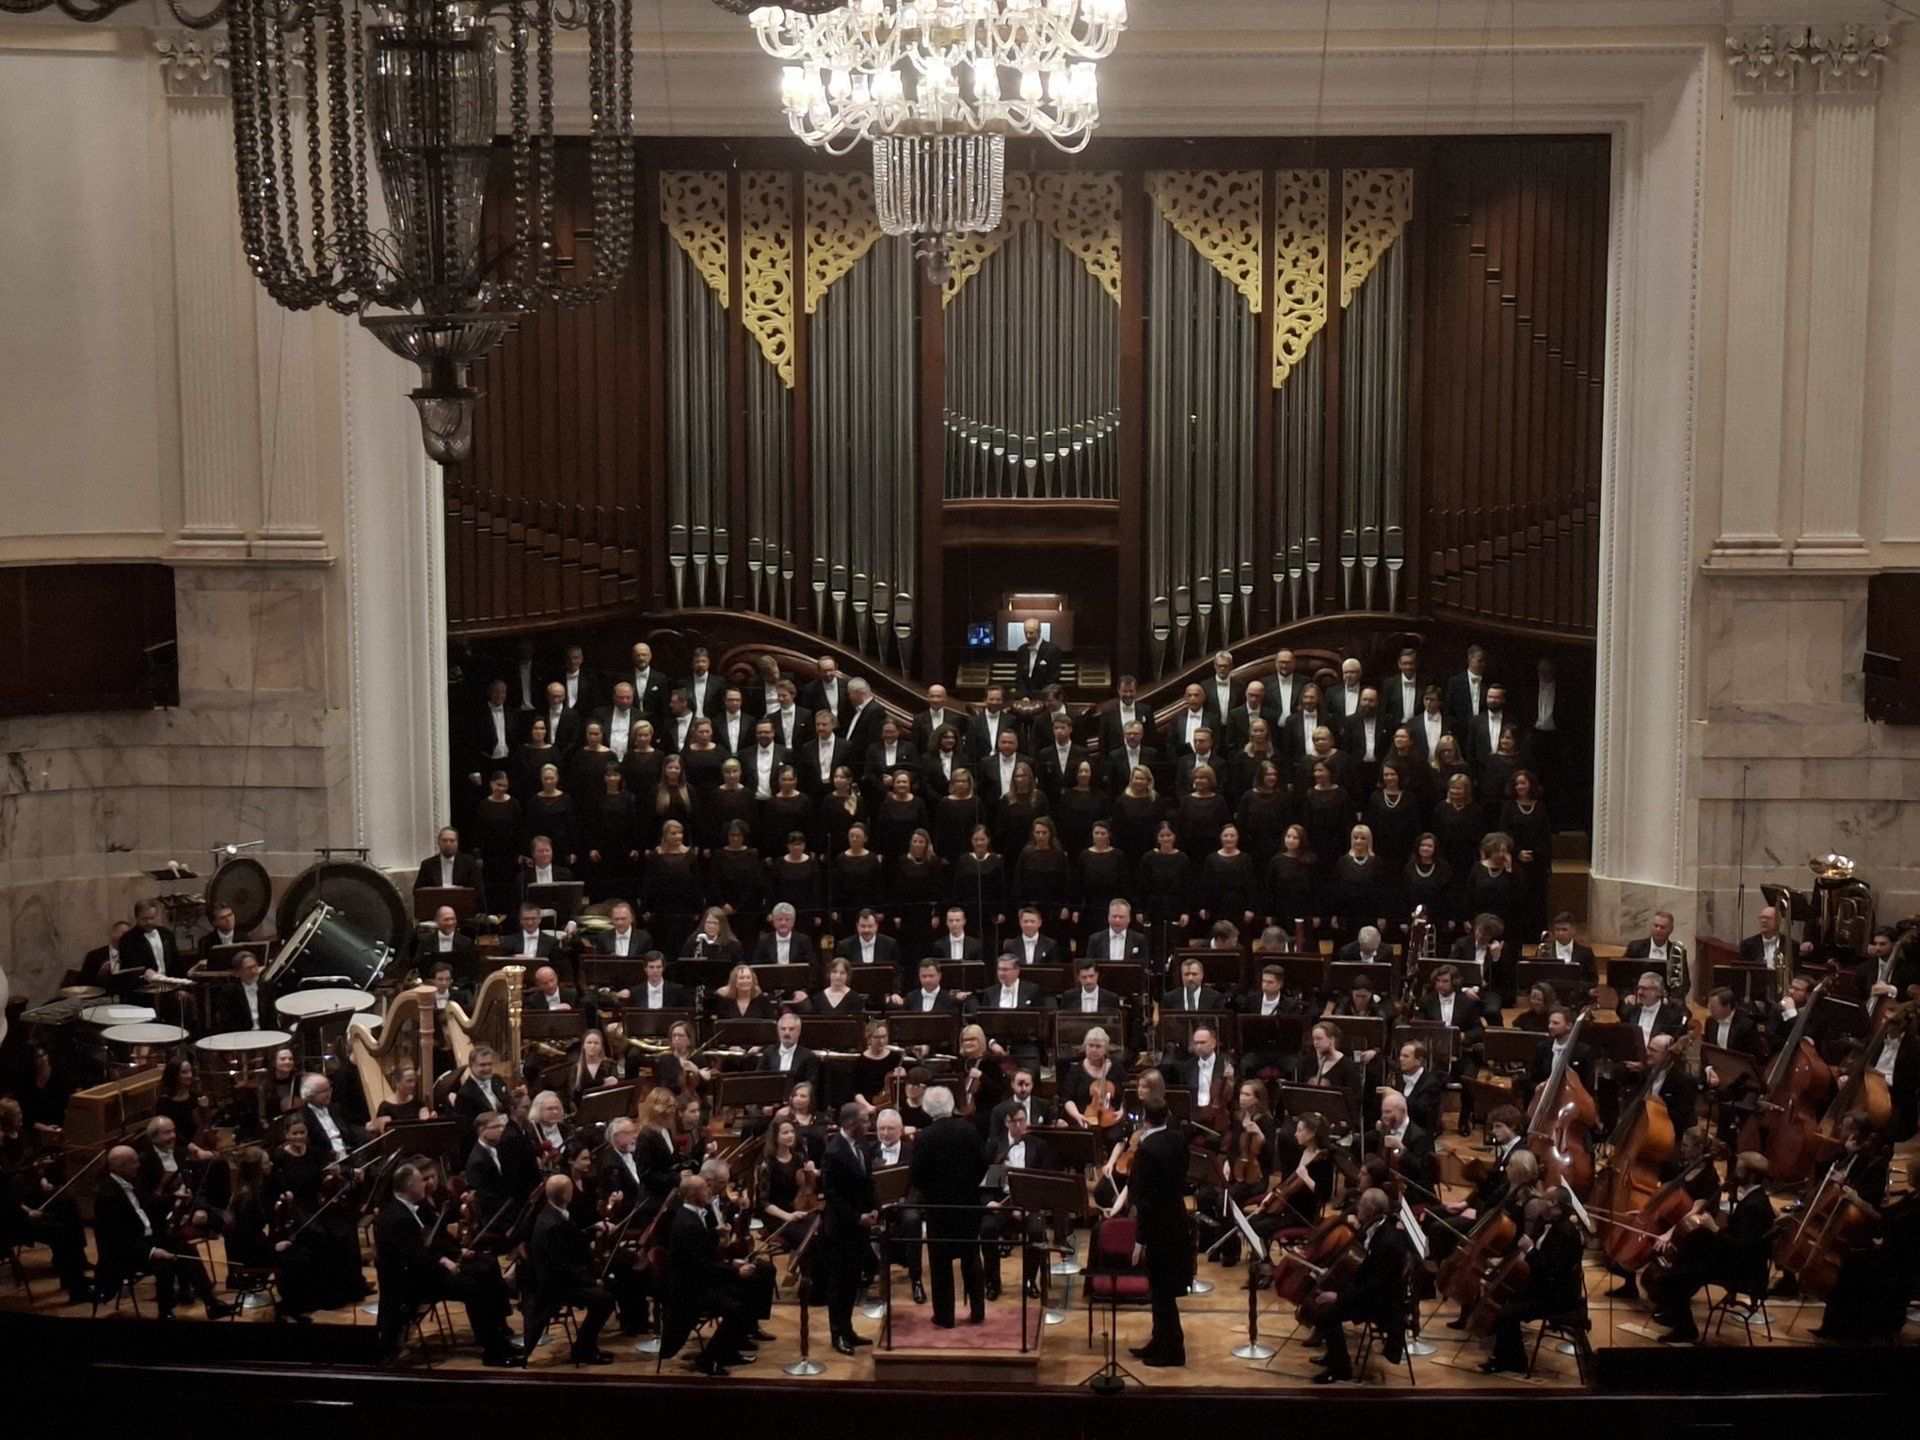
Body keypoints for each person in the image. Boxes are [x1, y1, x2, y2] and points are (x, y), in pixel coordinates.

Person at [375, 1160, 520, 1366]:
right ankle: (493, 1352)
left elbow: (430, 1243)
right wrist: (443, 1263)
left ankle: (497, 1340)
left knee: (484, 1271)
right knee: (475, 1289)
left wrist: (453, 1254)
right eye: (420, 1182)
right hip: (413, 1282)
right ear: (409, 1187)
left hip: (427, 1271)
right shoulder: (397, 1217)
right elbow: (413, 1259)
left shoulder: (412, 1209)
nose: (424, 1185)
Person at [91, 1145, 235, 1319]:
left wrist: (174, 1197)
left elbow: (149, 1204)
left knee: (186, 1249)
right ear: (118, 1167)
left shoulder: (132, 1181)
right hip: (124, 1253)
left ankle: (212, 1304)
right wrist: (152, 1252)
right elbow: (117, 1238)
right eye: (133, 1162)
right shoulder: (108, 1196)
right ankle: (165, 1313)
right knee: (164, 1264)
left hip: (143, 1241)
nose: (138, 1165)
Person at [1649, 1151, 1775, 1343]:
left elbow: (1739, 1247)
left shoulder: (1754, 1206)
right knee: (1694, 1242)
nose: (1733, 1173)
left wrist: (1714, 1227)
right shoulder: (1753, 1197)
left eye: (1739, 1169)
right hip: (1732, 1258)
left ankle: (1686, 1329)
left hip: (1740, 1269)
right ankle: (1675, 1310)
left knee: (1670, 1278)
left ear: (1751, 1176)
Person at [1479, 1188, 1587, 1374]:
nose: (1538, 1202)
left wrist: (1529, 1250)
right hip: (1546, 1289)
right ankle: (1504, 1355)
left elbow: (1551, 1271)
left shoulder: (1565, 1233)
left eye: (1543, 1199)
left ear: (1554, 1204)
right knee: (1506, 1298)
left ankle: (1514, 1362)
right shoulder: (1550, 1224)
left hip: (1557, 1298)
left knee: (1505, 1314)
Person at [662, 1172, 760, 1375]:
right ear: (692, 1195)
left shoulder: (694, 1215)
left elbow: (704, 1257)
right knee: (736, 1309)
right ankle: (707, 1360)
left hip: (698, 1281)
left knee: (746, 1293)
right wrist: (736, 1272)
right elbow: (701, 1266)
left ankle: (727, 1351)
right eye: (704, 1189)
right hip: (688, 1290)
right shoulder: (687, 1223)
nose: (709, 1191)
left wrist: (722, 1244)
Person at [1308, 1187, 1407, 1383]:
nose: (1356, 1209)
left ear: (1370, 1209)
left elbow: (1375, 1286)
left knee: (1327, 1311)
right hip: (1370, 1291)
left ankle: (1341, 1369)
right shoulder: (1376, 1226)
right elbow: (1362, 1267)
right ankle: (1334, 1355)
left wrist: (1340, 1296)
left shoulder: (1386, 1241)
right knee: (1322, 1297)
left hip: (1382, 1303)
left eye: (1360, 1205)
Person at [910, 1085, 988, 1327]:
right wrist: (969, 1184)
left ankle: (945, 1316)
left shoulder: (924, 1136)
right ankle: (977, 1311)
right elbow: (983, 1163)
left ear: (927, 1109)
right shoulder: (969, 1129)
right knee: (972, 1258)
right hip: (968, 1204)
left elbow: (916, 1175)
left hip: (938, 1207)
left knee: (940, 1263)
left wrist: (931, 1190)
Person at [1125, 1099, 1192, 1368]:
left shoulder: (1146, 1150)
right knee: (1160, 1291)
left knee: (1162, 1291)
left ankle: (1173, 1350)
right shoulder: (1177, 1139)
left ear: (1144, 1118)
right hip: (1176, 1218)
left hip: (1157, 1227)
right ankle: (1158, 1340)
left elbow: (1144, 1199)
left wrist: (1140, 1239)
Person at [524, 1173, 617, 1364]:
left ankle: (587, 1346)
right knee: (605, 1300)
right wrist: (592, 1281)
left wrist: (593, 1228)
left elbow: (572, 1242)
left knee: (608, 1289)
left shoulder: (552, 1212)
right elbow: (562, 1268)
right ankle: (583, 1349)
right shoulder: (552, 1225)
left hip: (563, 1278)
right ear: (566, 1196)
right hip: (555, 1286)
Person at [821, 1103, 878, 1354]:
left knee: (853, 1281)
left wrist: (875, 1208)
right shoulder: (834, 1152)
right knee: (839, 1285)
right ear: (850, 1123)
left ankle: (849, 1330)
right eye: (864, 1121)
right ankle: (838, 1335)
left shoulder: (862, 1144)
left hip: (861, 1225)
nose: (868, 1125)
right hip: (843, 1228)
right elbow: (833, 1195)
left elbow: (868, 1182)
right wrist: (857, 1218)